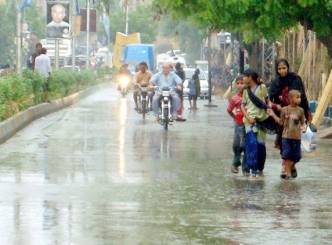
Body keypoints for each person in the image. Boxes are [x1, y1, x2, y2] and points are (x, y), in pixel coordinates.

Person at [269, 58, 311, 177]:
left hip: (296, 116)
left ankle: (291, 165)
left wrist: (307, 112)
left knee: (296, 147)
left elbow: (302, 96)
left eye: (284, 68)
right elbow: (270, 98)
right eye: (279, 69)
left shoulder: (295, 79)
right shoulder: (275, 82)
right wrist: (275, 108)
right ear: (277, 70)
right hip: (283, 114)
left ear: (288, 68)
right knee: (284, 143)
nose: (282, 71)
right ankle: (285, 168)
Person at [268, 90, 306, 179]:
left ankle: (292, 166)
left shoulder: (301, 110)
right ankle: (288, 173)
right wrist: (273, 115)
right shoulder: (285, 110)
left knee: (297, 156)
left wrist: (303, 127)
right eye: (297, 97)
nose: (300, 99)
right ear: (290, 99)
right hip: (286, 137)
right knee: (287, 155)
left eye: (300, 97)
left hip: (297, 137)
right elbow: (281, 122)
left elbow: (303, 122)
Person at [241, 69, 269, 177]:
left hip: (261, 121)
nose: (243, 79)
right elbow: (242, 105)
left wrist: (270, 110)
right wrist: (248, 117)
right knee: (252, 144)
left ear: (250, 77)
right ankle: (253, 170)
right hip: (249, 121)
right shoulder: (245, 91)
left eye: (244, 76)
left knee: (261, 146)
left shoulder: (262, 88)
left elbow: (267, 101)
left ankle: (260, 168)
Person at [227, 75, 246, 174]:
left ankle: (245, 167)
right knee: (236, 144)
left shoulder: (250, 97)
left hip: (249, 124)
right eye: (238, 83)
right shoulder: (235, 98)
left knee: (245, 145)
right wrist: (234, 117)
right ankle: (236, 162)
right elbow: (229, 110)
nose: (240, 85)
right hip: (239, 124)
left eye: (242, 83)